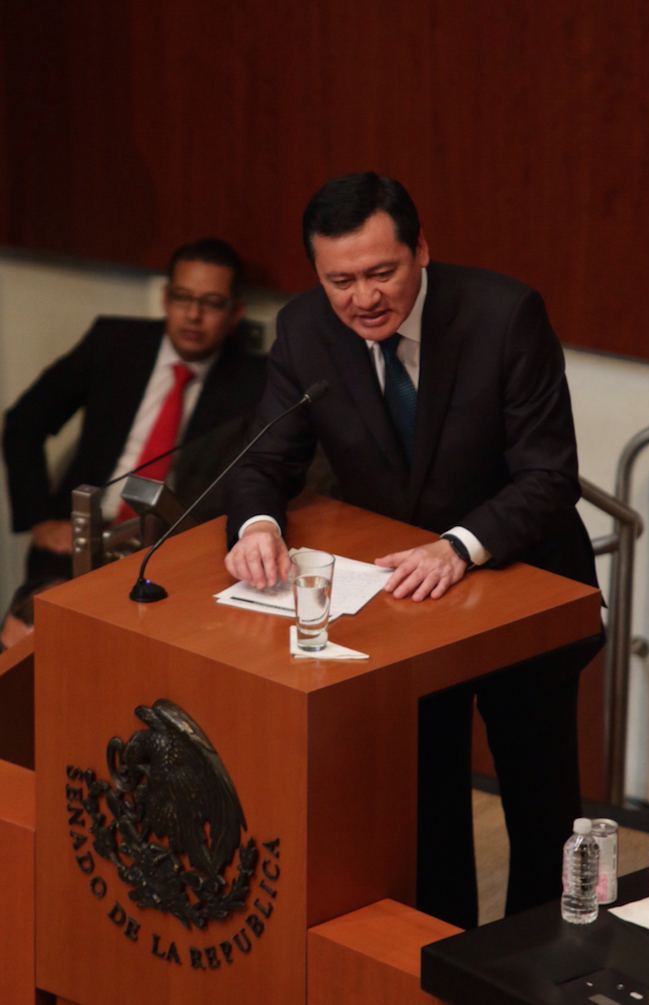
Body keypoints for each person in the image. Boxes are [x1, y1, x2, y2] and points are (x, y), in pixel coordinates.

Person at [223, 172, 603, 928]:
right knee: (424, 807)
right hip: (406, 612)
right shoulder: (305, 330)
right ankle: (440, 965)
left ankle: (539, 969)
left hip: (520, 586)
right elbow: (265, 459)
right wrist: (257, 525)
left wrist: (460, 545)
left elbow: (548, 475)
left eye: (380, 272)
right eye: (340, 280)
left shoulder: (503, 316)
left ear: (421, 250)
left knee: (539, 808)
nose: (362, 297)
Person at [3, 238, 267, 579]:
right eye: (182, 298)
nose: (193, 315)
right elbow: (23, 422)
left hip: (177, 552)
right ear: (165, 298)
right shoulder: (114, 343)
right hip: (84, 539)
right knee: (26, 628)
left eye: (212, 304)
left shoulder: (255, 381)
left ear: (236, 312)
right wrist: (39, 519)